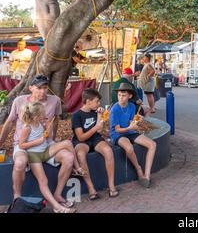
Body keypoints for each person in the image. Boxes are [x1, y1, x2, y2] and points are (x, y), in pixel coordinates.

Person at [0, 75, 77, 207]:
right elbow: (9, 122)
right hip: (23, 145)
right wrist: (0, 142)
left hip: (45, 144)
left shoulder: (55, 100)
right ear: (30, 88)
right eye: (39, 88)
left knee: (68, 157)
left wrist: (52, 137)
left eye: (45, 88)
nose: (42, 91)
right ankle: (17, 198)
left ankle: (58, 194)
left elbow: (56, 119)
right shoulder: (19, 101)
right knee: (19, 163)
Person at [18, 102, 79, 213]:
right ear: (36, 116)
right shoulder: (27, 127)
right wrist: (38, 141)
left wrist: (47, 127)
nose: (45, 114)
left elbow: (48, 137)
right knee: (43, 181)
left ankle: (77, 168)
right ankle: (57, 207)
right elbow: (21, 145)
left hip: (45, 150)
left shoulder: (41, 123)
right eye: (43, 113)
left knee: (67, 143)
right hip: (34, 155)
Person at [72, 89, 119, 200]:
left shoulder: (96, 112)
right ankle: (91, 188)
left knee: (108, 151)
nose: (99, 104)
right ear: (88, 101)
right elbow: (81, 137)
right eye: (97, 101)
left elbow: (100, 131)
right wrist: (95, 128)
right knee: (80, 155)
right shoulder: (76, 115)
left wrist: (100, 117)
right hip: (82, 142)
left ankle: (111, 185)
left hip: (96, 139)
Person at [110, 83, 157, 188]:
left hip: (130, 131)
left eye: (123, 95)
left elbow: (132, 121)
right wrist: (130, 128)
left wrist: (138, 121)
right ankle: (138, 169)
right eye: (119, 95)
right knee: (129, 148)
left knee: (152, 145)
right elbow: (117, 129)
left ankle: (147, 176)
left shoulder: (131, 106)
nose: (121, 98)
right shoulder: (114, 109)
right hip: (118, 134)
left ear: (129, 96)